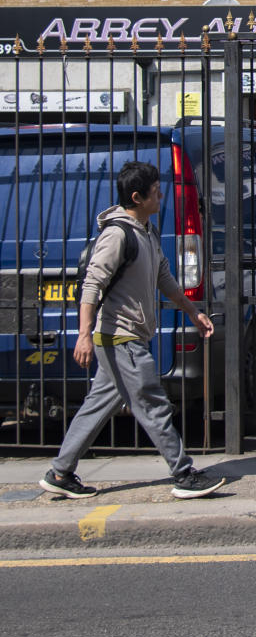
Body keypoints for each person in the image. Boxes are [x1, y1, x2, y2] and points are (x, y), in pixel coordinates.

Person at [38, 161, 225, 500]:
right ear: (137, 197)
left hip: (126, 336)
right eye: (155, 192)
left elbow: (164, 277)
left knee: (96, 406)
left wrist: (194, 312)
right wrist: (84, 334)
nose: (161, 195)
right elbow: (92, 285)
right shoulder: (117, 235)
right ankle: (183, 474)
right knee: (153, 403)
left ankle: (60, 472)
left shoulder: (147, 230)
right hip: (120, 337)